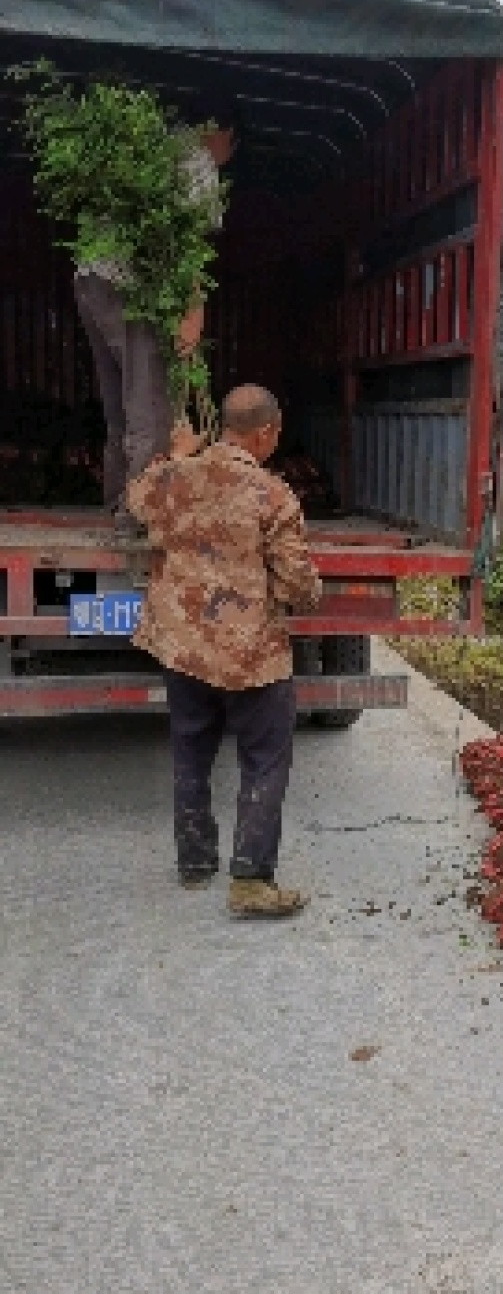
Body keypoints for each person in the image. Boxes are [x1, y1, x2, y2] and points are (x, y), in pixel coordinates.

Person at [127, 384, 322, 919]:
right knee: (264, 758)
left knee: (191, 746)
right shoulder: (273, 495)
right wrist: (293, 595)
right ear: (264, 434)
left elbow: (137, 502)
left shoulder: (171, 480)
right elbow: (299, 584)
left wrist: (178, 456)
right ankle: (251, 880)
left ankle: (194, 861)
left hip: (183, 646)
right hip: (249, 654)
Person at [73, 120, 234, 537]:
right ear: (221, 132)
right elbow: (190, 243)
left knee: (119, 405)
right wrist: (192, 312)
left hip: (90, 280)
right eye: (231, 149)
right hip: (130, 291)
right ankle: (139, 514)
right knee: (149, 407)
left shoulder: (144, 152)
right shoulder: (196, 159)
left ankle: (118, 504)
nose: (226, 158)